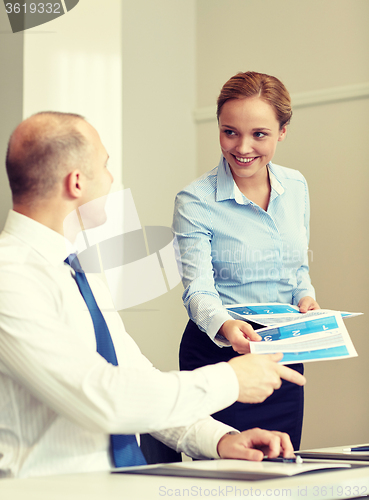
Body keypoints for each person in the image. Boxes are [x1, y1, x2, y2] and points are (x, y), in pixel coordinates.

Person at [0, 111, 306, 478]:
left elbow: (135, 380)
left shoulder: (76, 271)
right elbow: (105, 398)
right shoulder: (10, 277)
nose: (112, 179)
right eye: (106, 166)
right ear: (77, 182)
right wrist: (230, 380)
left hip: (114, 485)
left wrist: (221, 440)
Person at [172, 71, 319, 450]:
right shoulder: (195, 201)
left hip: (281, 357)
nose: (242, 147)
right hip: (219, 358)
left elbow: (297, 267)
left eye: (260, 134)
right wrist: (226, 327)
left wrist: (305, 297)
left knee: (280, 472)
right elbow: (198, 290)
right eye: (230, 132)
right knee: (228, 480)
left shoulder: (297, 185)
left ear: (283, 130)